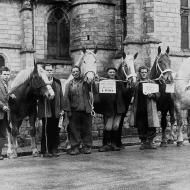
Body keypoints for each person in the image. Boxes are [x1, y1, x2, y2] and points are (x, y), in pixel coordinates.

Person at [63, 65, 95, 155]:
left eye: (77, 71)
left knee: (87, 129)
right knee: (74, 130)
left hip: (86, 110)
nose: (75, 73)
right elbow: (66, 98)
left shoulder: (86, 82)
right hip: (74, 111)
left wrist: (91, 80)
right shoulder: (69, 84)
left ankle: (87, 146)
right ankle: (75, 147)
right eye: (73, 72)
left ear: (80, 72)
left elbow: (93, 90)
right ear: (71, 73)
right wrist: (67, 111)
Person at [129, 65, 160, 150]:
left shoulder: (152, 83)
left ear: (147, 73)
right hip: (139, 108)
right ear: (139, 73)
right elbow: (131, 92)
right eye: (142, 72)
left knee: (151, 125)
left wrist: (153, 95)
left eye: (145, 72)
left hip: (150, 108)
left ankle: (150, 142)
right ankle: (143, 142)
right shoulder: (137, 83)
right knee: (141, 126)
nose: (143, 74)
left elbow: (158, 94)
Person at [38, 64, 64, 157]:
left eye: (50, 70)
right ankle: (45, 151)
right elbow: (38, 97)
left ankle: (54, 149)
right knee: (46, 131)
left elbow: (61, 96)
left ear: (53, 71)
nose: (49, 72)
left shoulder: (57, 82)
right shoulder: (41, 82)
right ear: (44, 72)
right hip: (46, 111)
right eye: (47, 70)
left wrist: (62, 109)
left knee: (55, 131)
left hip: (56, 110)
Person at [98, 67, 126, 152]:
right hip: (109, 108)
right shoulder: (104, 82)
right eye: (110, 72)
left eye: (113, 72)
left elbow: (125, 93)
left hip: (118, 108)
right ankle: (106, 144)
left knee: (116, 126)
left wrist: (129, 86)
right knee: (108, 127)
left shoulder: (119, 82)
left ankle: (114, 144)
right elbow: (100, 95)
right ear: (107, 73)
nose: (112, 73)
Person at [0, 66, 11, 160]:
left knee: (3, 135)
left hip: (4, 114)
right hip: (1, 110)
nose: (6, 76)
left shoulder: (7, 84)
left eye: (8, 74)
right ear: (0, 74)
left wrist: (11, 95)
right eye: (4, 74)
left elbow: (5, 96)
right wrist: (2, 106)